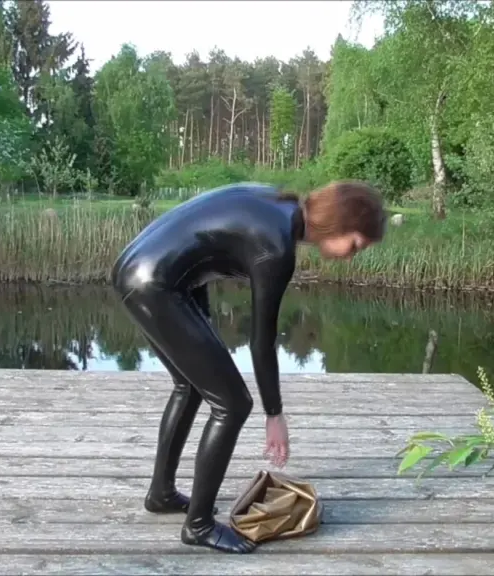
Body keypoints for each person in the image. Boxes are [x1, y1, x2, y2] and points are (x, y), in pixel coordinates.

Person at [110, 180, 387, 554]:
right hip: (154, 283)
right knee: (233, 404)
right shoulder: (277, 246)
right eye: (355, 245)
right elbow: (261, 341)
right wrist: (275, 414)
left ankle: (161, 494)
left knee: (191, 386)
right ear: (338, 224)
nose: (351, 256)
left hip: (154, 273)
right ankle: (199, 525)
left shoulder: (278, 207)